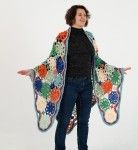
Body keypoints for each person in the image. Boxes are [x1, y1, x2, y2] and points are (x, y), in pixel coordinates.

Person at [17, 5, 131, 150]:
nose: (83, 17)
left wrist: (117, 70)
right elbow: (52, 60)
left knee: (84, 121)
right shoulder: (62, 37)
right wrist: (33, 71)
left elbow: (96, 61)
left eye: (85, 15)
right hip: (69, 85)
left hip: (87, 85)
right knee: (63, 121)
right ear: (72, 17)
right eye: (80, 15)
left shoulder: (90, 37)